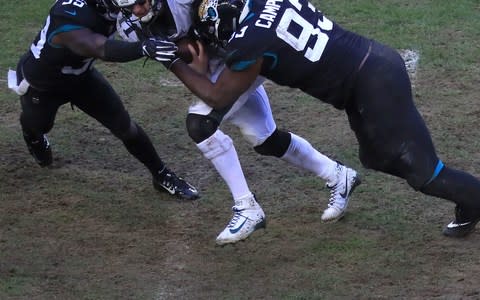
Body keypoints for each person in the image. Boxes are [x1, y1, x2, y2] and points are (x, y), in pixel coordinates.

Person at [163, 0, 480, 238]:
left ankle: (472, 198)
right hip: (369, 71)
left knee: (423, 172)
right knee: (374, 157)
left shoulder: (251, 41)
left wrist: (174, 62)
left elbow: (218, 97)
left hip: (373, 83)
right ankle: (468, 199)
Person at [113, 0, 361, 245]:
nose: (137, 11)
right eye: (129, 7)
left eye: (141, 2)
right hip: (218, 63)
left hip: (244, 52)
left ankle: (246, 206)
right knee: (264, 139)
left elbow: (218, 21)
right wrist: (189, 59)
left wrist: (189, 55)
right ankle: (339, 175)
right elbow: (182, 53)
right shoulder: (129, 25)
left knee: (200, 123)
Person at [7, 0, 199, 200]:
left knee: (125, 127)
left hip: (81, 76)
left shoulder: (109, 5)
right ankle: (33, 137)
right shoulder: (68, 14)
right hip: (44, 83)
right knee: (38, 126)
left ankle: (160, 175)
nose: (133, 9)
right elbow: (99, 47)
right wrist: (142, 48)